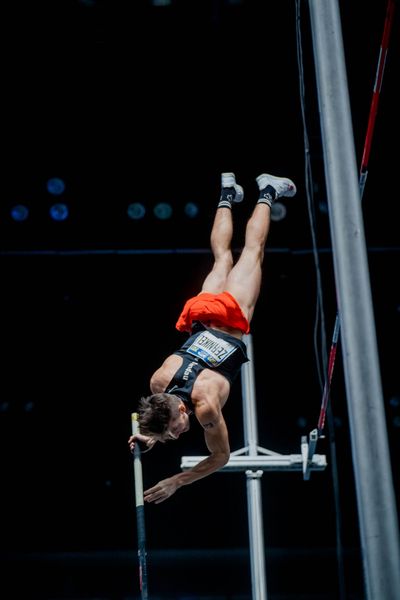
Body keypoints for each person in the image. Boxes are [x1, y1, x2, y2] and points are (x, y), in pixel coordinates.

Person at [129, 171, 296, 503]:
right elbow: (162, 412)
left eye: (173, 429)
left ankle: (267, 192)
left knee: (253, 251)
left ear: (179, 407)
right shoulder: (157, 384)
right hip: (202, 313)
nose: (176, 435)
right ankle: (227, 192)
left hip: (232, 316)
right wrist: (151, 436)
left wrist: (177, 481)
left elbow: (220, 457)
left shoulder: (204, 407)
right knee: (222, 258)